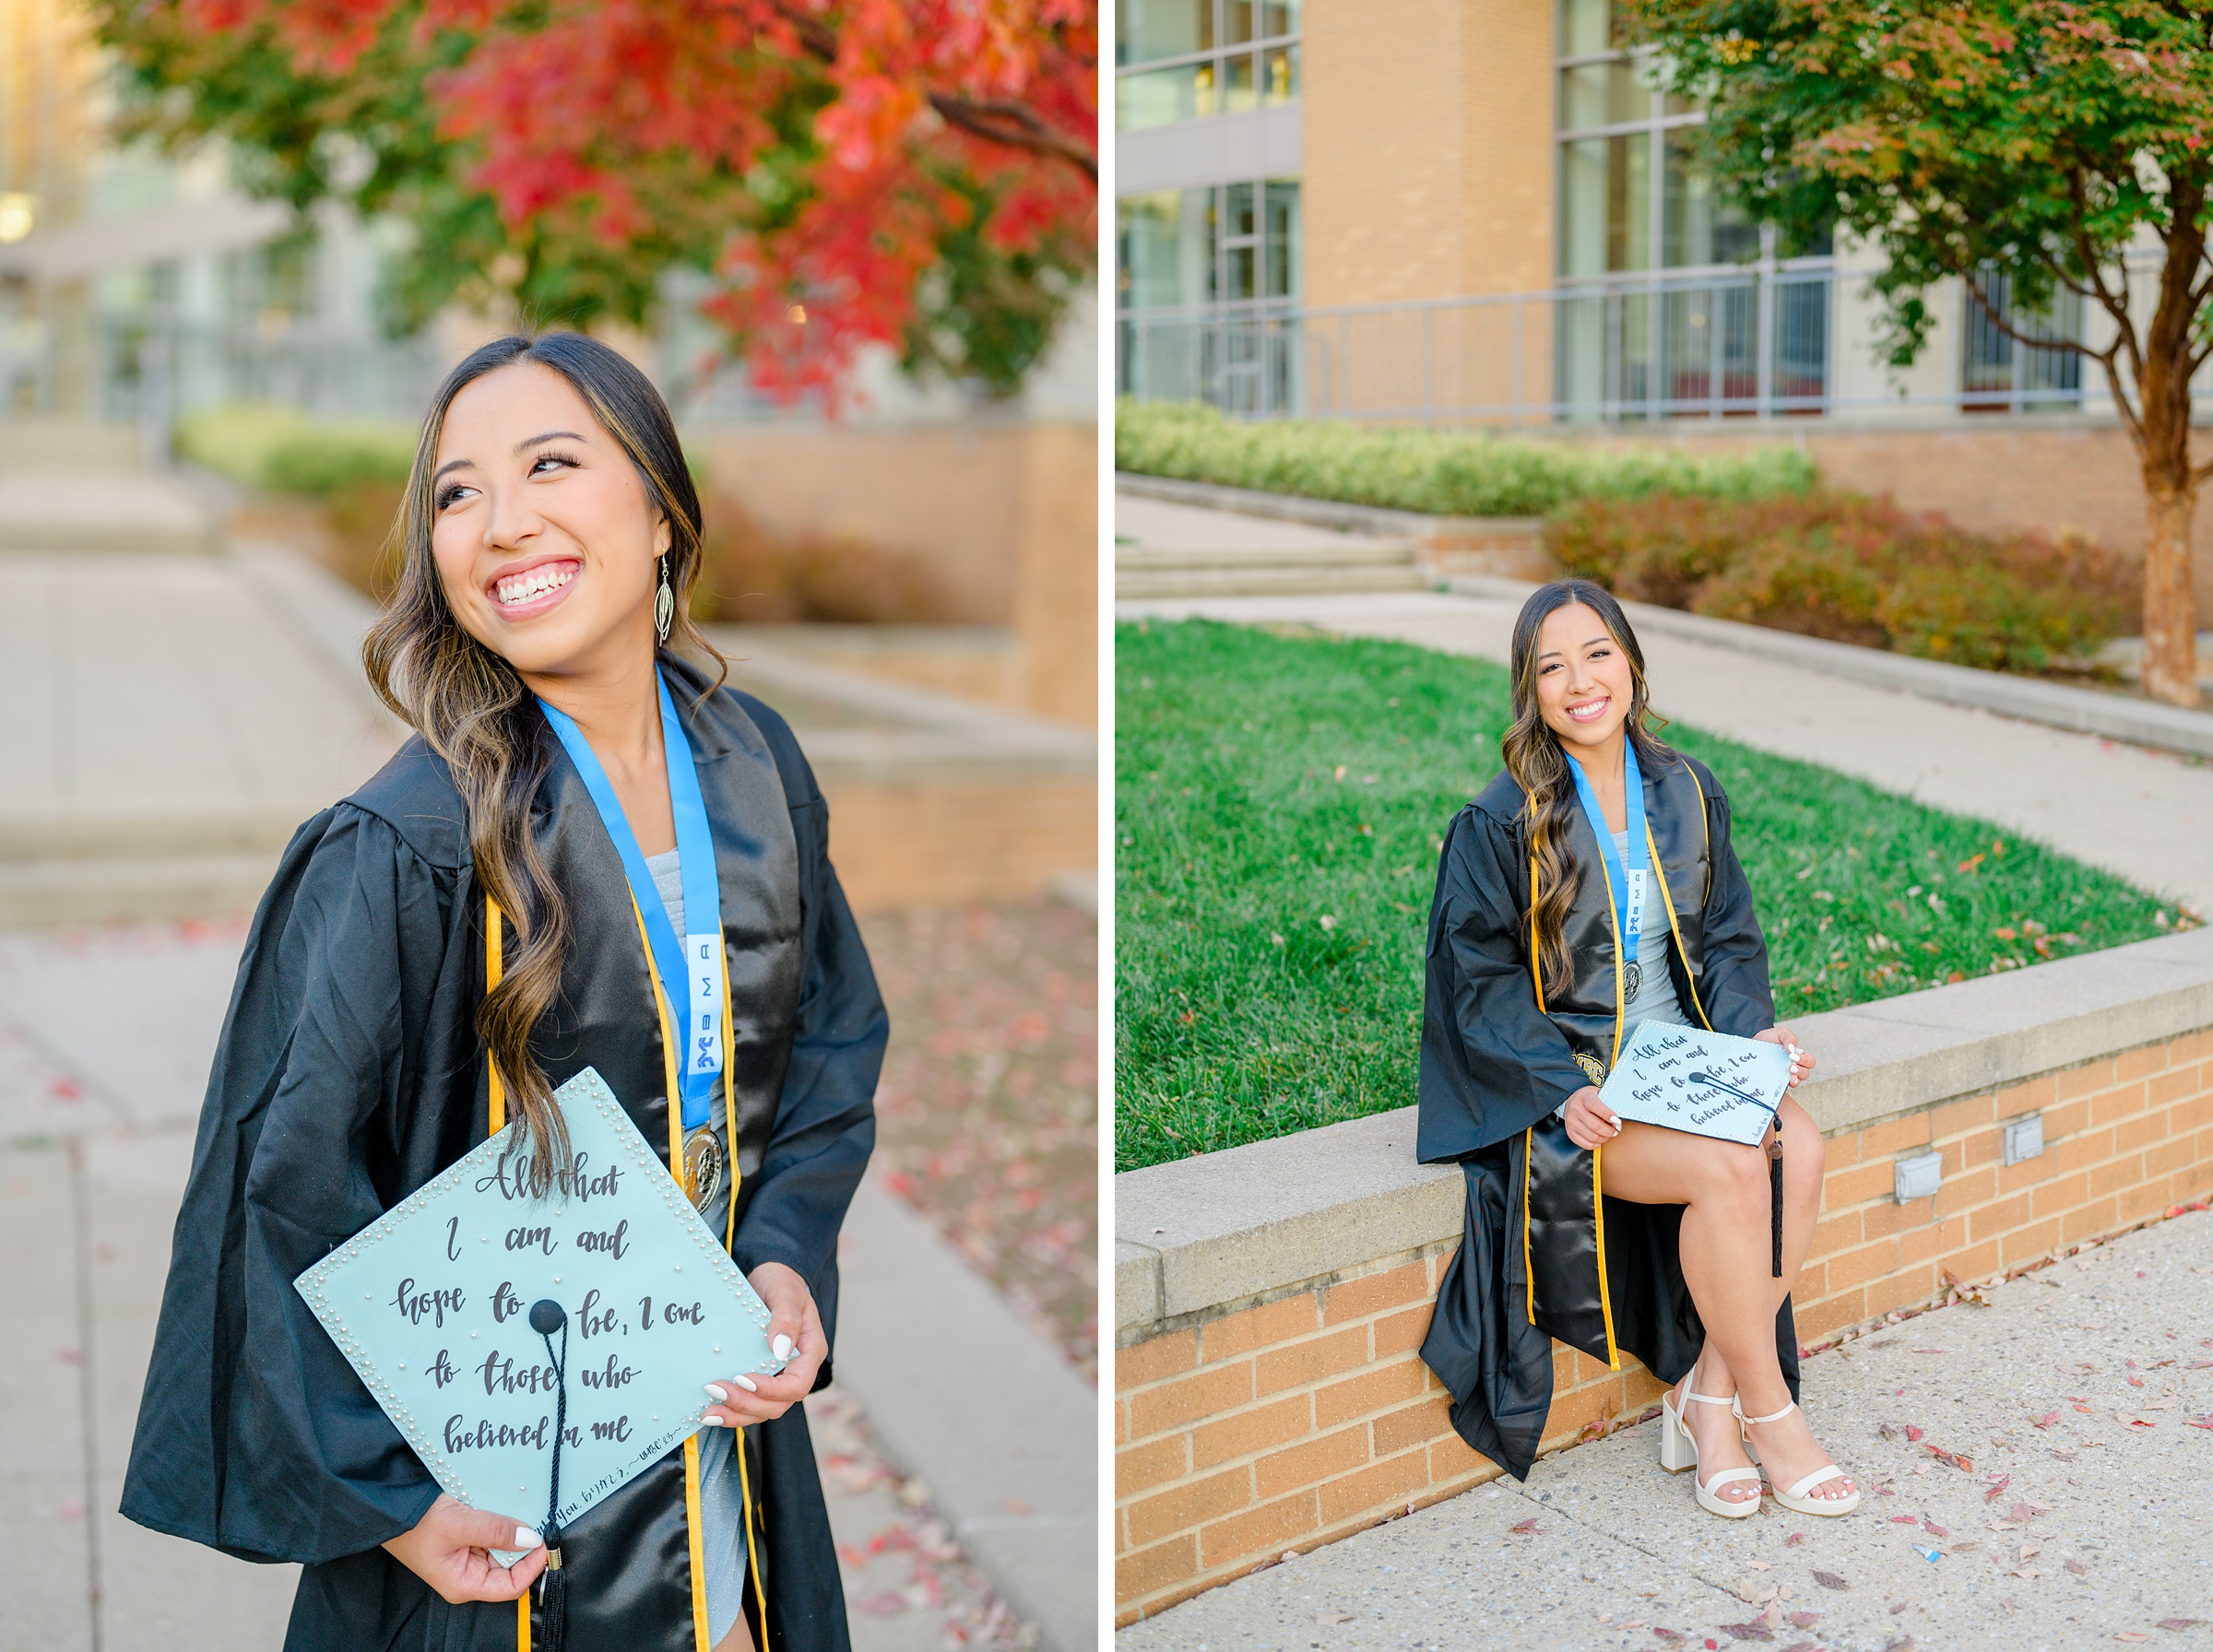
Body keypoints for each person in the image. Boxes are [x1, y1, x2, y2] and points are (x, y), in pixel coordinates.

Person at [120, 332, 887, 1650]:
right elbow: (280, 1187)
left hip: (721, 1459)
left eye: (551, 465)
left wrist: (784, 1254)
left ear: (660, 509)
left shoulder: (755, 768)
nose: (499, 522)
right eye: (458, 491)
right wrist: (395, 1503)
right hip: (499, 1509)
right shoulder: (410, 843)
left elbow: (828, 1039)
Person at [1416, 579, 1857, 1521]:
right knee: (1740, 1171)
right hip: (1587, 1081)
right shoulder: (1504, 820)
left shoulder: (1685, 789)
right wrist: (1553, 1088)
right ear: (1528, 690)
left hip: (1685, 1060)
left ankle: (1705, 1396)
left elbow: (1729, 936)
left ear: (1633, 663)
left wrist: (1755, 1034)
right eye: (1552, 665)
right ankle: (1764, 1415)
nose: (1580, 681)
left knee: (1804, 1148)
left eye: (1597, 654)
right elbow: (1478, 980)